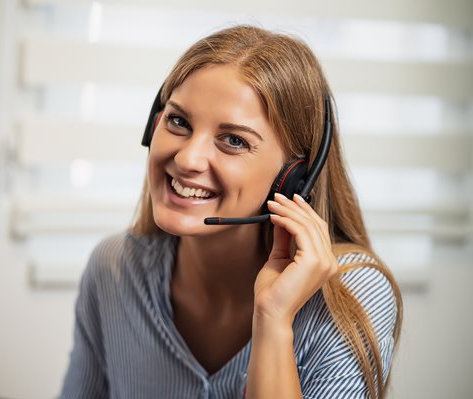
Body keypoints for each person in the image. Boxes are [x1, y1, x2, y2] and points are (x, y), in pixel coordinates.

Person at [59, 25, 402, 399]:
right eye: (178, 121)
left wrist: (273, 322)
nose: (187, 158)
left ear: (292, 178)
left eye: (234, 140)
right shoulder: (113, 270)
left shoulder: (350, 297)